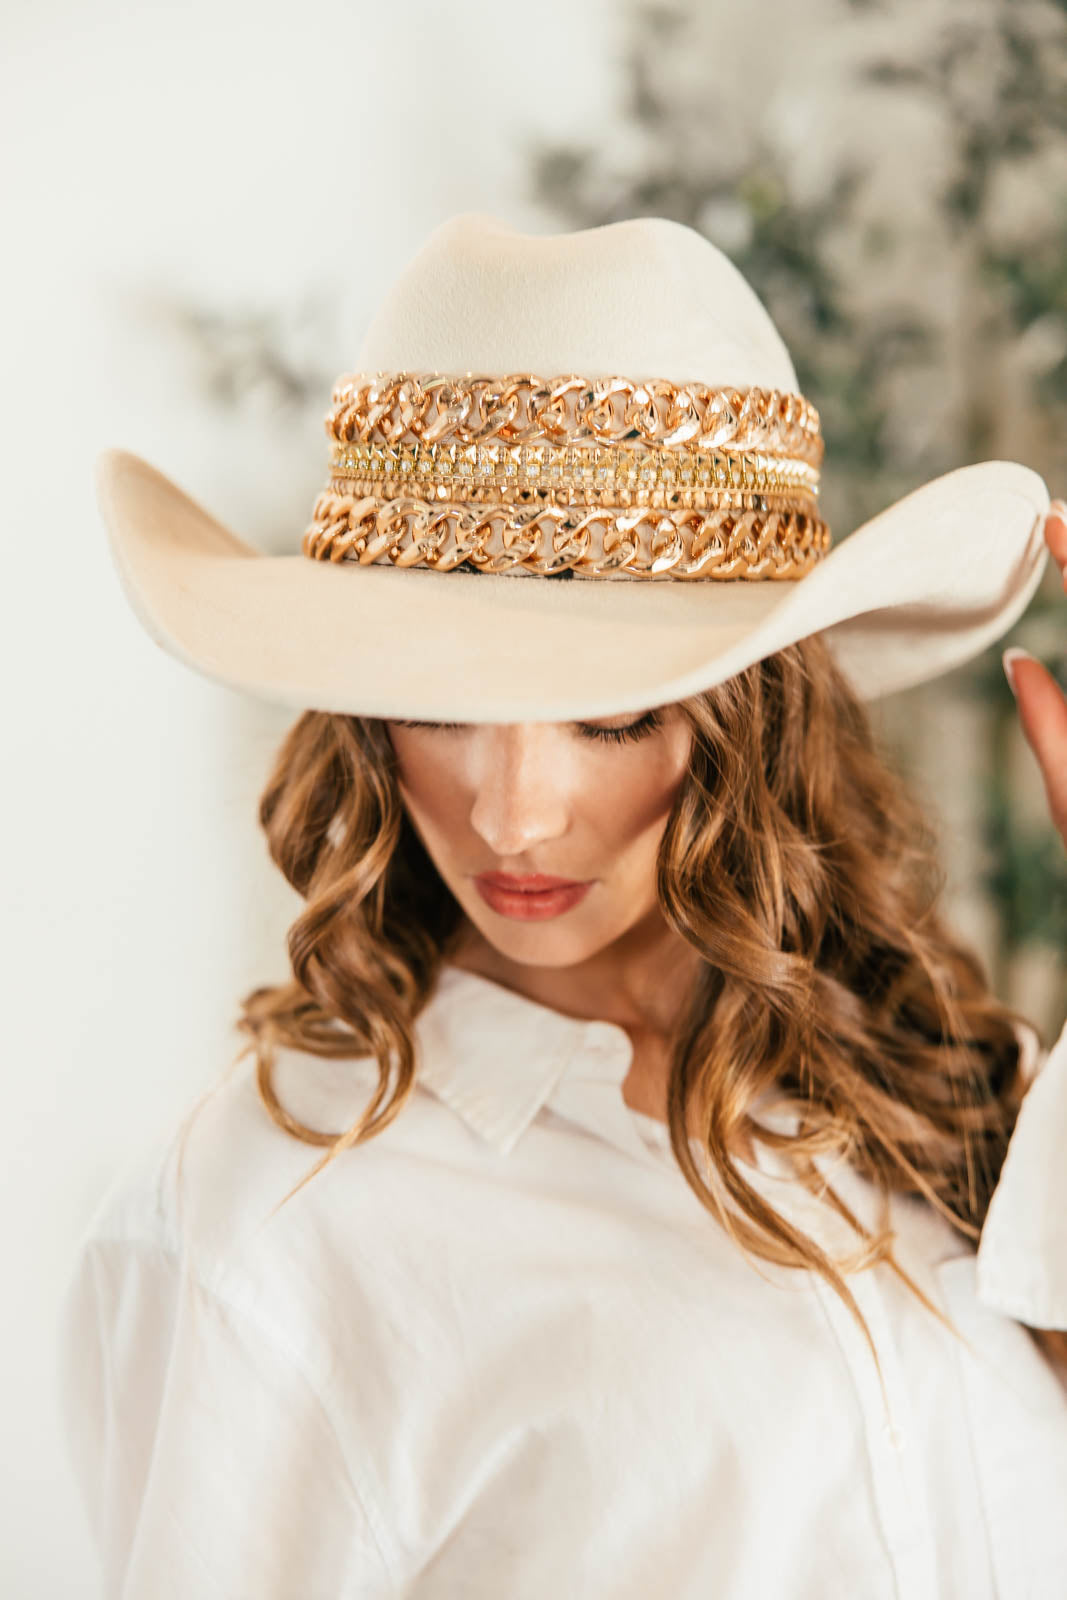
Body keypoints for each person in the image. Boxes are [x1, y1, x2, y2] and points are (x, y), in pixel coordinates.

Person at [59, 214, 1067, 1598]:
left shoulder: (939, 1070)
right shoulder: (273, 1218)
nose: (513, 813)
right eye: (440, 706)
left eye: (612, 716)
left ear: (752, 719)